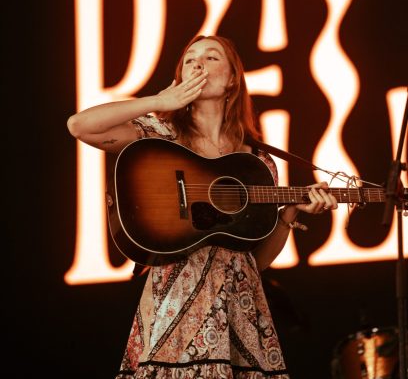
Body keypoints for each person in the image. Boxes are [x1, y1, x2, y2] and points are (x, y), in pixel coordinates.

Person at [67, 34, 338, 378]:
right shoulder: (161, 135)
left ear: (232, 79)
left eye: (211, 57)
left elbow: (256, 262)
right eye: (190, 59)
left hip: (240, 305)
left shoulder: (257, 162)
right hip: (175, 302)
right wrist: (159, 100)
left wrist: (290, 212)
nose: (198, 64)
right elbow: (79, 125)